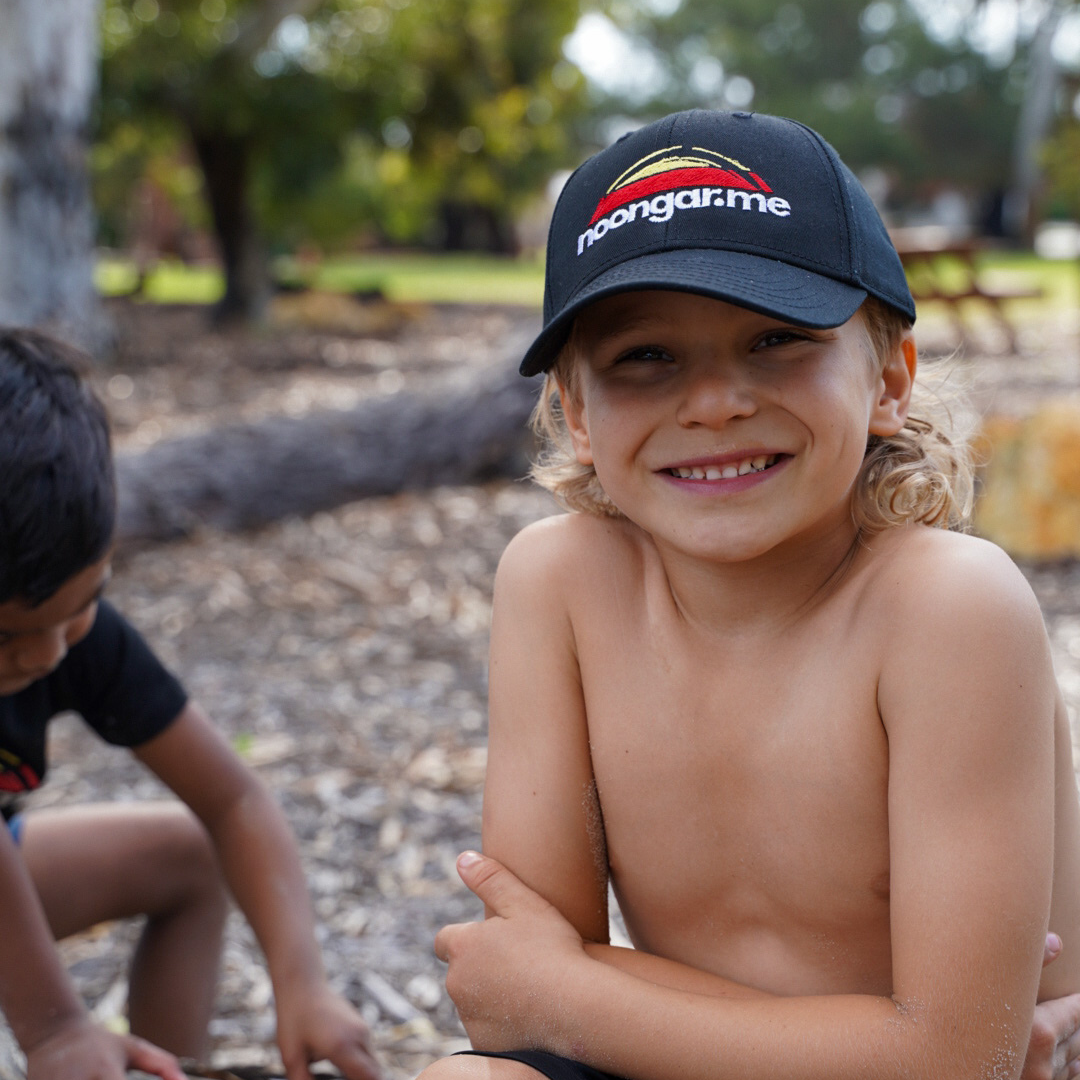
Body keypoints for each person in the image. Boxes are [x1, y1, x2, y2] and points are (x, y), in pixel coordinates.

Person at [420, 110, 1080, 1080]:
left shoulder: (945, 610)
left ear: (889, 378)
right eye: (646, 357)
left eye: (776, 339)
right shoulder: (558, 584)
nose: (715, 403)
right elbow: (516, 991)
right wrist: (896, 1044)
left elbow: (957, 1063)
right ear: (578, 415)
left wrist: (571, 998)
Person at [0, 328, 381, 1080]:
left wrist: (299, 979)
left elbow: (233, 800)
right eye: (8, 632)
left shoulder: (73, 637)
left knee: (192, 854)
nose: (46, 653)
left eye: (81, 605)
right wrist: (56, 1031)